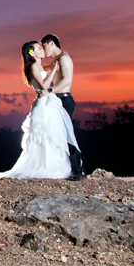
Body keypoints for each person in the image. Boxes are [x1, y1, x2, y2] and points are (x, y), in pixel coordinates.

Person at [0, 41, 80, 179]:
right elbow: (44, 87)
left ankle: (57, 165)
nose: (42, 50)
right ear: (32, 53)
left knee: (52, 134)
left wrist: (56, 63)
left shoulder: (39, 67)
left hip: (48, 103)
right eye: (39, 48)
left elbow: (50, 69)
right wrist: (53, 71)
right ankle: (44, 166)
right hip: (43, 104)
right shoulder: (34, 67)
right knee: (43, 136)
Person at [41, 34, 86, 180]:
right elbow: (41, 68)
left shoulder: (65, 58)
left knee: (67, 134)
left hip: (64, 99)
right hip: (57, 100)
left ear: (51, 43)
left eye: (44, 46)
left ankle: (79, 170)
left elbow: (68, 79)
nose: (44, 49)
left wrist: (51, 91)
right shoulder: (57, 61)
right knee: (57, 133)